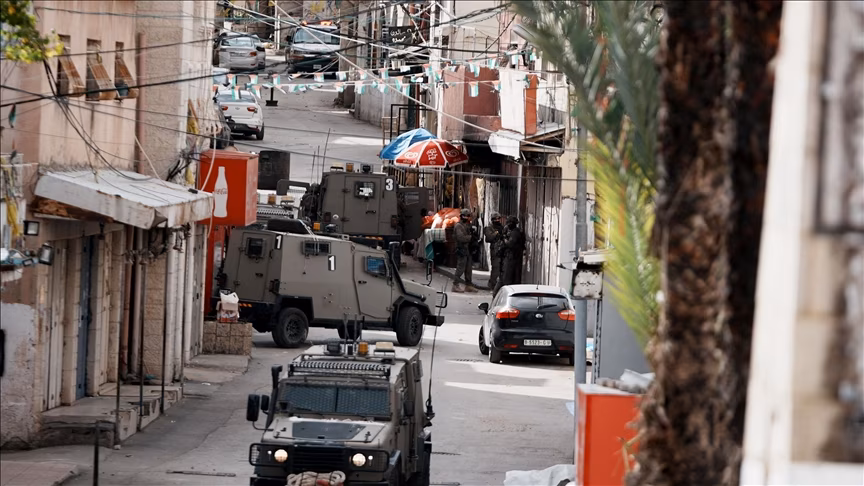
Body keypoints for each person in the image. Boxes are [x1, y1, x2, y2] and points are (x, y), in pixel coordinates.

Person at [495, 216, 525, 296]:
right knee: (504, 278)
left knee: (507, 280)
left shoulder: (515, 232)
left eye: (509, 223)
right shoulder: (511, 231)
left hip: (512, 258)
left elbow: (510, 244)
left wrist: (504, 239)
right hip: (509, 258)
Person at [452, 209, 477, 293]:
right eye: (464, 216)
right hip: (461, 249)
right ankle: (455, 285)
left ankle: (468, 285)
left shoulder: (468, 226)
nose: (466, 218)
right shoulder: (458, 226)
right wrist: (470, 237)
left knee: (468, 269)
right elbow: (461, 238)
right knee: (460, 268)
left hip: (468, 249)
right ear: (461, 216)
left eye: (468, 216)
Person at [483, 213, 505, 290]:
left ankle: (498, 284)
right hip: (495, 250)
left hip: (502, 249)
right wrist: (496, 233)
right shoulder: (489, 228)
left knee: (502, 268)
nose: (497, 220)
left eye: (498, 218)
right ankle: (492, 284)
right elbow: (489, 238)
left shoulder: (502, 227)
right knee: (496, 267)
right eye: (495, 219)